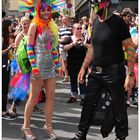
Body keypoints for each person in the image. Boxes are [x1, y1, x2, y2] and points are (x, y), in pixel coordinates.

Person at [71, 0, 136, 140]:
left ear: (105, 4)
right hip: (95, 72)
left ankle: (121, 136)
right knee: (88, 104)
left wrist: (130, 74)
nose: (93, 7)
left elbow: (130, 47)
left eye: (96, 4)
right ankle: (81, 135)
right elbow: (92, 48)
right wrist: (83, 67)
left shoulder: (118, 22)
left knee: (119, 107)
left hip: (114, 72)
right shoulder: (95, 22)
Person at [19, 0, 62, 140]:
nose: (46, 12)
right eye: (43, 10)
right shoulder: (33, 26)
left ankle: (48, 126)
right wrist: (34, 67)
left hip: (50, 67)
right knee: (33, 99)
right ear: (38, 11)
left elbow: (53, 48)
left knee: (51, 97)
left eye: (48, 9)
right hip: (37, 67)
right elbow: (30, 48)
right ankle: (25, 127)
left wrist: (59, 65)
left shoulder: (51, 26)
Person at [8, 16, 31, 117]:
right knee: (22, 86)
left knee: (31, 86)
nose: (26, 25)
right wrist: (19, 66)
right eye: (24, 24)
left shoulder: (32, 33)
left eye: (27, 23)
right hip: (22, 64)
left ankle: (31, 105)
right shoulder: (20, 35)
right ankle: (13, 106)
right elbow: (16, 52)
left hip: (32, 63)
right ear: (21, 25)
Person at [63, 23, 87, 104]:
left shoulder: (84, 38)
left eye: (80, 28)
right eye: (78, 28)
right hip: (72, 62)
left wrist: (84, 43)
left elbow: (90, 48)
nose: (80, 30)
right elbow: (64, 48)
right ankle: (73, 96)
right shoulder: (69, 38)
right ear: (73, 30)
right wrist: (73, 44)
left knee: (82, 79)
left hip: (82, 62)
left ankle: (83, 97)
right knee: (73, 79)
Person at [2, 19, 16, 120]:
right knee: (3, 89)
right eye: (11, 25)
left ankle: (4, 110)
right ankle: (3, 111)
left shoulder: (7, 37)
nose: (12, 27)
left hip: (6, 65)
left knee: (5, 89)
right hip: (2, 66)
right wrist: (9, 48)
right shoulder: (2, 37)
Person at [58, 15, 72, 82]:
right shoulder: (60, 29)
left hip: (70, 47)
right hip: (62, 47)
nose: (63, 21)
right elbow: (58, 38)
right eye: (63, 19)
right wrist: (62, 41)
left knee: (70, 61)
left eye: (65, 19)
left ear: (68, 20)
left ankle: (71, 75)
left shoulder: (71, 28)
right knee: (64, 61)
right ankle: (66, 76)